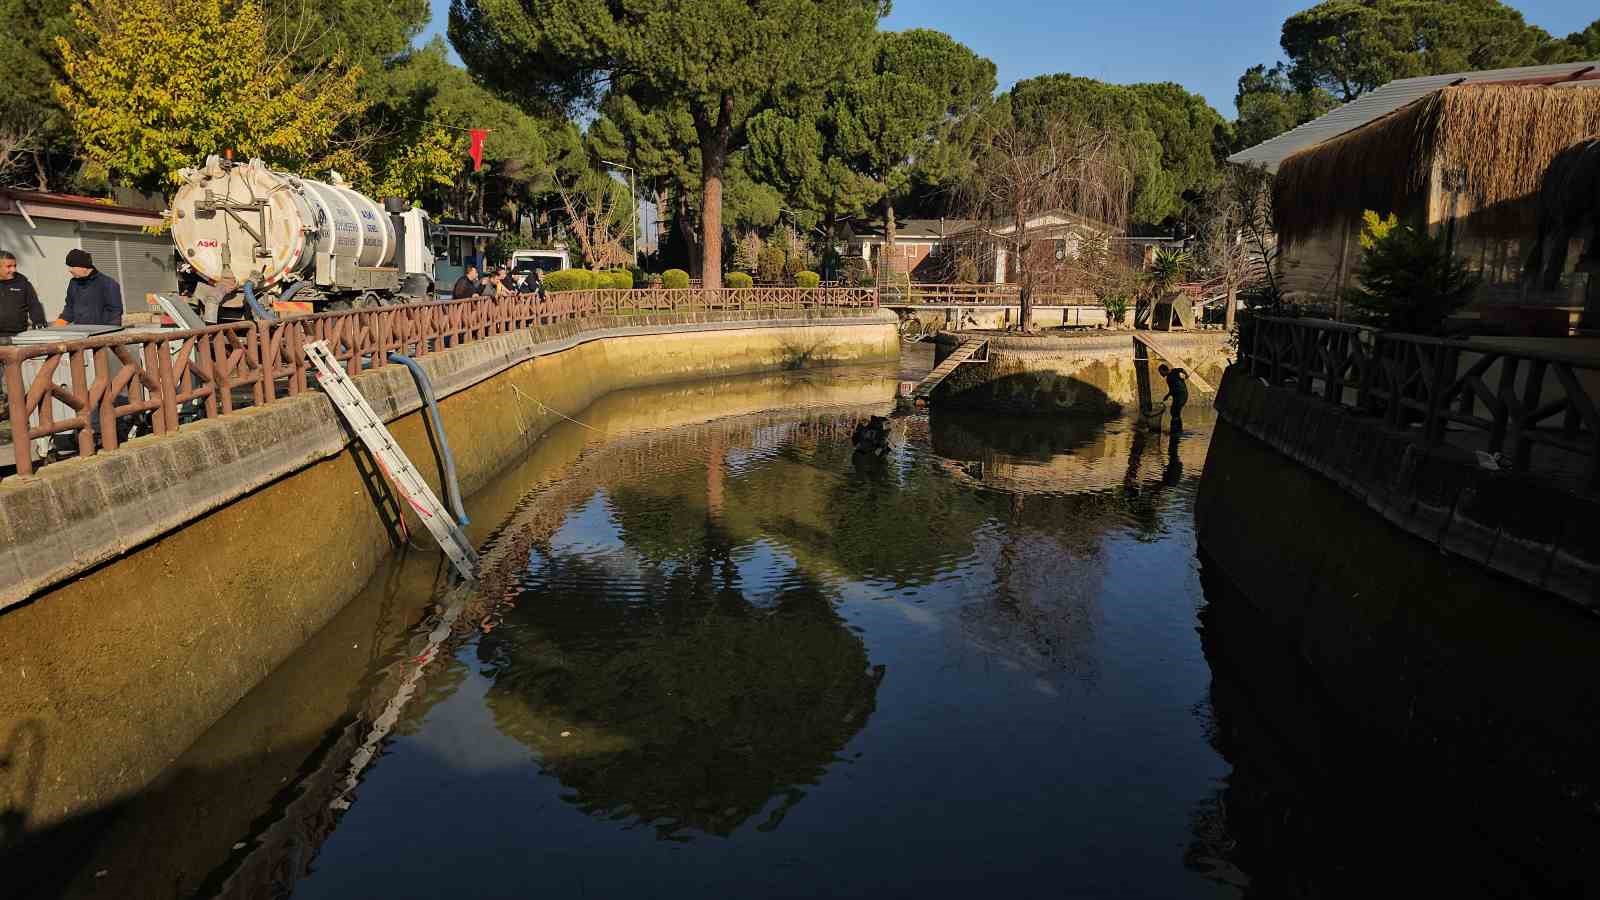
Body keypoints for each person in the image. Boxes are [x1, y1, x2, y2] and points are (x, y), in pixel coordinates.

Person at [57, 248, 122, 326]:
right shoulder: (73, 283)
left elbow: (115, 312)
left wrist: (111, 332)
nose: (69, 270)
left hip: (101, 333)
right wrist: (60, 322)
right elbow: (69, 307)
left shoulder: (108, 284)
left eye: (72, 266)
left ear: (83, 266)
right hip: (80, 332)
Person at [0, 250, 48, 338]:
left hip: (18, 334)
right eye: (9, 266)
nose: (13, 269)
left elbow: (34, 305)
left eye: (15, 266)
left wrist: (39, 322)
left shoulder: (23, 283)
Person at [1158, 363, 1188, 429]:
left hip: (1181, 396)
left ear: (1164, 370)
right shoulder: (1173, 371)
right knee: (1175, 412)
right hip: (1182, 395)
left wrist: (1186, 375)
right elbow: (1182, 369)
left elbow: (1173, 390)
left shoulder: (1169, 378)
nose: (1161, 374)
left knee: (1174, 412)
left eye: (1160, 372)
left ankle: (1175, 428)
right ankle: (1178, 428)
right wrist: (1186, 375)